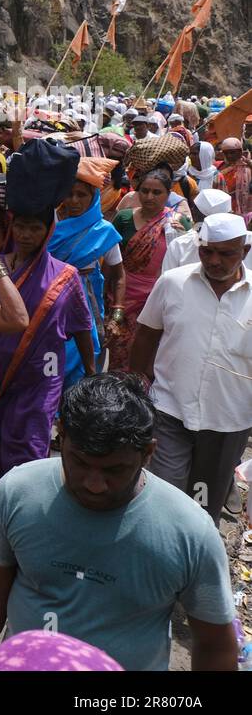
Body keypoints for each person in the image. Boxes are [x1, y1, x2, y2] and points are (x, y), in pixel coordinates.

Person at [0, 373, 238, 671]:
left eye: (114, 470)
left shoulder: (191, 532)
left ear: (148, 453)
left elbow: (214, 644)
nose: (94, 484)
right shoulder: (17, 492)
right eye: (79, 462)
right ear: (61, 436)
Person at [131, 213, 252, 522]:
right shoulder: (173, 283)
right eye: (207, 251)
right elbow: (146, 333)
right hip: (170, 413)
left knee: (201, 504)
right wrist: (140, 385)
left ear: (245, 252)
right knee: (164, 498)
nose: (214, 261)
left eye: (226, 253)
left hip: (226, 424)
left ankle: (193, 561)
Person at [0, 206, 93, 483]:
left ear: (48, 231)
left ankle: (25, 509)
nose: (26, 235)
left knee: (27, 453)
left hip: (40, 381)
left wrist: (91, 373)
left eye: (35, 228)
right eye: (21, 227)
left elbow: (82, 326)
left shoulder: (65, 276)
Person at [104, 167, 190, 370]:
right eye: (144, 191)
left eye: (157, 192)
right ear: (137, 191)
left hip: (157, 297)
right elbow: (111, 262)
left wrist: (182, 236)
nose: (149, 197)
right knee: (118, 353)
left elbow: (186, 263)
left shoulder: (177, 223)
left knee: (150, 353)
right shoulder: (123, 219)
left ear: (168, 195)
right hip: (122, 297)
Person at [48, 157, 123, 386]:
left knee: (84, 354)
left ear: (93, 198)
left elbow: (118, 275)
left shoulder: (103, 230)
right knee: (51, 357)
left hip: (86, 300)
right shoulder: (49, 224)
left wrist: (117, 314)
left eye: (82, 195)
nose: (74, 201)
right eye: (69, 194)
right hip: (51, 297)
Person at [161, 188, 252, 272]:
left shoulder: (180, 245)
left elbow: (167, 283)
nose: (214, 261)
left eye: (226, 253)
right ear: (231, 214)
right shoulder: (179, 245)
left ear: (194, 214)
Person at [217, 137, 251, 222]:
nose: (229, 156)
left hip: (248, 210)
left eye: (232, 152)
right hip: (229, 209)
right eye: (226, 153)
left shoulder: (248, 166)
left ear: (240, 151)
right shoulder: (220, 167)